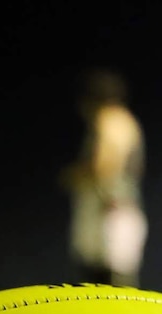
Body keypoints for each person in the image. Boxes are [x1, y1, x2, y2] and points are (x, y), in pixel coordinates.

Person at [59, 68, 147, 287]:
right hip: (120, 210)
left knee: (106, 287)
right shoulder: (126, 120)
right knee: (116, 284)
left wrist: (74, 175)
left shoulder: (111, 119)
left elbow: (104, 166)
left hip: (108, 213)